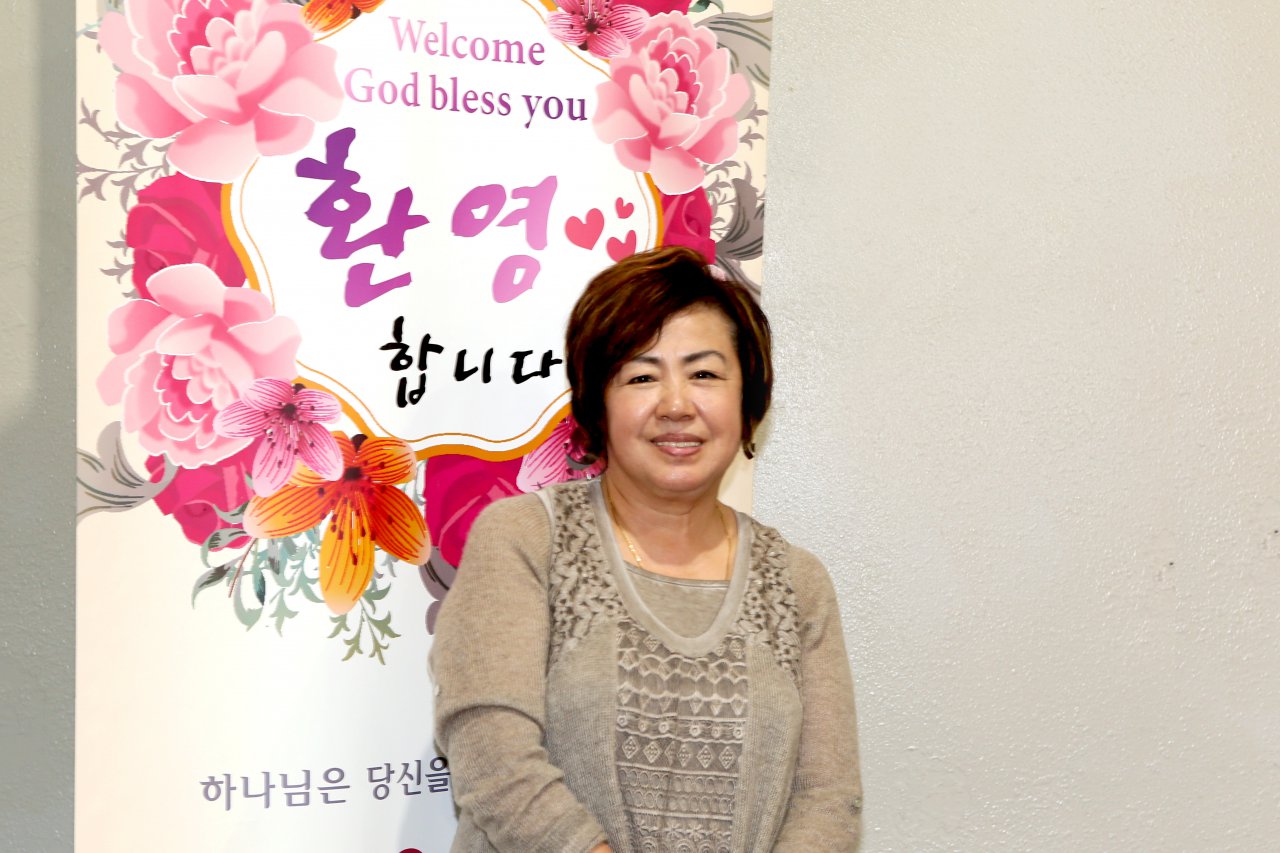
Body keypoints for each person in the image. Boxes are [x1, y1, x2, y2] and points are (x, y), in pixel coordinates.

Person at [430, 246, 862, 852]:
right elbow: (491, 752)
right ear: (597, 404)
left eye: (704, 374)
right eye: (641, 376)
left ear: (748, 401)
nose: (676, 405)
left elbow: (828, 799)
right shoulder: (526, 538)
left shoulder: (796, 581)